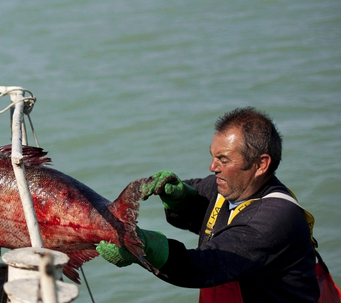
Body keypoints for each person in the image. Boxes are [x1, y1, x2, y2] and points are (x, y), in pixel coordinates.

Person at [96, 107, 319, 302]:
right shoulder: (228, 186)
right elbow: (202, 208)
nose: (212, 167)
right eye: (213, 156)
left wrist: (141, 245)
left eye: (223, 159)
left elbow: (203, 266)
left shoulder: (274, 220)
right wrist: (180, 198)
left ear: (261, 164)